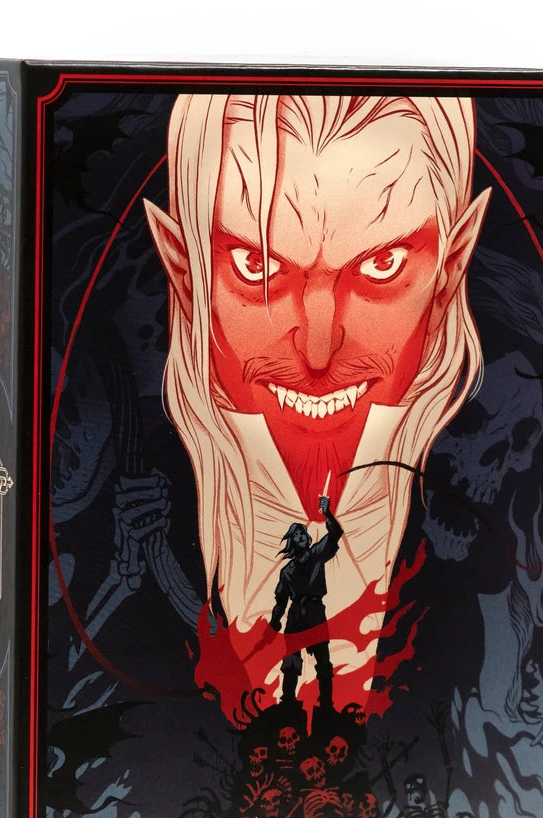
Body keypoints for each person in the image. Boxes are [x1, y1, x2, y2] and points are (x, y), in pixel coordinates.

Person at [146, 93, 489, 687]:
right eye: (258, 268)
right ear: (185, 273)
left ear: (450, 268)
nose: (319, 349)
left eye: (381, 266)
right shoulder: (135, 528)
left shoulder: (484, 529)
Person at [270, 495, 343, 711]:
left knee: (323, 660)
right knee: (291, 662)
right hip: (295, 617)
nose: (300, 536)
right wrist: (275, 620)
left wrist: (327, 513)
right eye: (296, 535)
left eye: (302, 533)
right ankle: (288, 703)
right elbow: (281, 600)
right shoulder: (287, 571)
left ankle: (326, 705)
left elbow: (336, 534)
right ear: (292, 542)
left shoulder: (316, 554)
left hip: (315, 612)